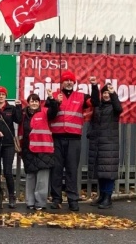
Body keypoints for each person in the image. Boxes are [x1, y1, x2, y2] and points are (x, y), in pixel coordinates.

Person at [47, 70, 92, 212]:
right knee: (56, 170)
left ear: (74, 82)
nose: (68, 82)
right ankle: (56, 199)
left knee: (72, 170)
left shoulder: (82, 96)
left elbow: (95, 102)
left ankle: (73, 199)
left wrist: (95, 86)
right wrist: (55, 103)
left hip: (74, 139)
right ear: (62, 82)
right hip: (57, 138)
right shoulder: (53, 96)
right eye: (66, 80)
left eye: (71, 80)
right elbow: (49, 115)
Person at [88, 81, 123, 209]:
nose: (106, 95)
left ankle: (108, 197)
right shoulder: (98, 106)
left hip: (109, 144)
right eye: (104, 93)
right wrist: (94, 86)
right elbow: (94, 101)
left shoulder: (114, 107)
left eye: (108, 92)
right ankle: (102, 195)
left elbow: (119, 108)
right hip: (98, 143)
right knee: (101, 171)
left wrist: (113, 94)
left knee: (108, 172)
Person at [19, 92, 55, 211]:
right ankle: (30, 202)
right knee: (30, 177)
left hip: (44, 149)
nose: (34, 103)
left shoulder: (45, 112)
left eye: (36, 101)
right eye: (31, 101)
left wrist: (51, 98)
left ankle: (40, 203)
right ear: (28, 103)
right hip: (28, 150)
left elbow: (54, 111)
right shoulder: (23, 114)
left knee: (42, 179)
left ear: (39, 103)